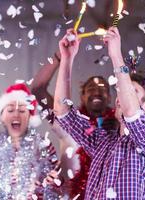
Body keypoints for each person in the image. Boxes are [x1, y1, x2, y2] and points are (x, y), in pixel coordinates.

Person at [52, 28, 145, 199]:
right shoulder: (103, 141)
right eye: (120, 90)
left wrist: (115, 55)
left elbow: (131, 113)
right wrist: (67, 59)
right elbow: (62, 112)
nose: (121, 96)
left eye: (132, 92)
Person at [31, 52, 117, 199]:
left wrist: (122, 128)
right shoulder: (69, 123)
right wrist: (60, 57)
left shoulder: (120, 128)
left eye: (102, 89)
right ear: (82, 96)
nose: (96, 92)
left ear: (109, 97)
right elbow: (38, 89)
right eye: (90, 89)